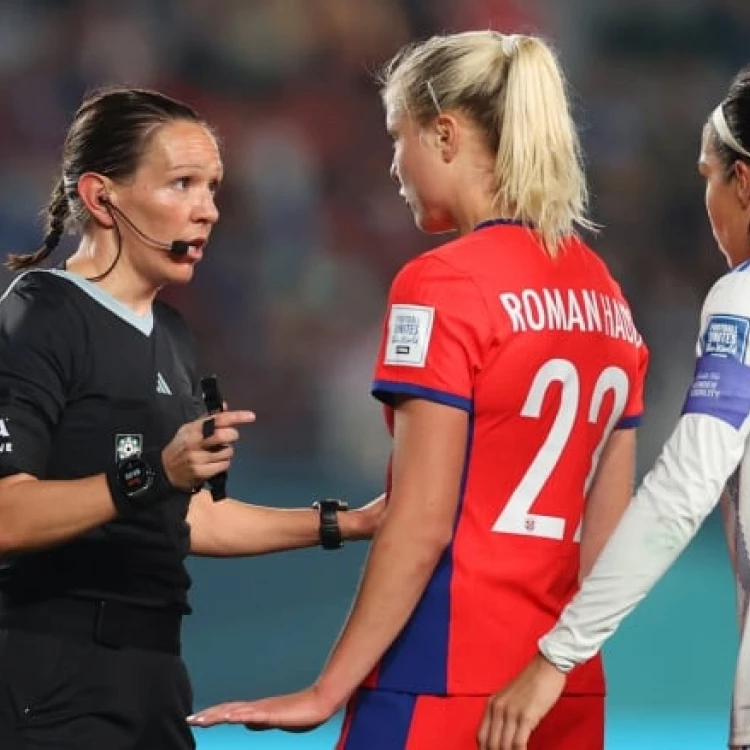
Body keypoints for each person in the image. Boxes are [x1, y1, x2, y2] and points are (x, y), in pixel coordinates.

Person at [188, 30, 649, 750]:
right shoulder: (606, 294)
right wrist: (558, 664)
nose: (393, 166)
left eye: (396, 137)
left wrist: (326, 690)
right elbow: (609, 536)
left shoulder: (440, 284)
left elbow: (422, 518)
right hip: (562, 688)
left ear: (445, 133)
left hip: (441, 677)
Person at [0, 86, 384, 750]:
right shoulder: (39, 316)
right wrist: (156, 471)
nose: (207, 210)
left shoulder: (172, 335)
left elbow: (191, 516)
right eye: (181, 184)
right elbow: (7, 516)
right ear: (101, 197)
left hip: (157, 677)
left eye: (212, 188)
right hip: (50, 679)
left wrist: (347, 522)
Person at [477, 64, 750, 750]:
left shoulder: (742, 299)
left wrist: (557, 655)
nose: (707, 203)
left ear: (744, 182)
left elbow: (683, 488)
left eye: (707, 177)